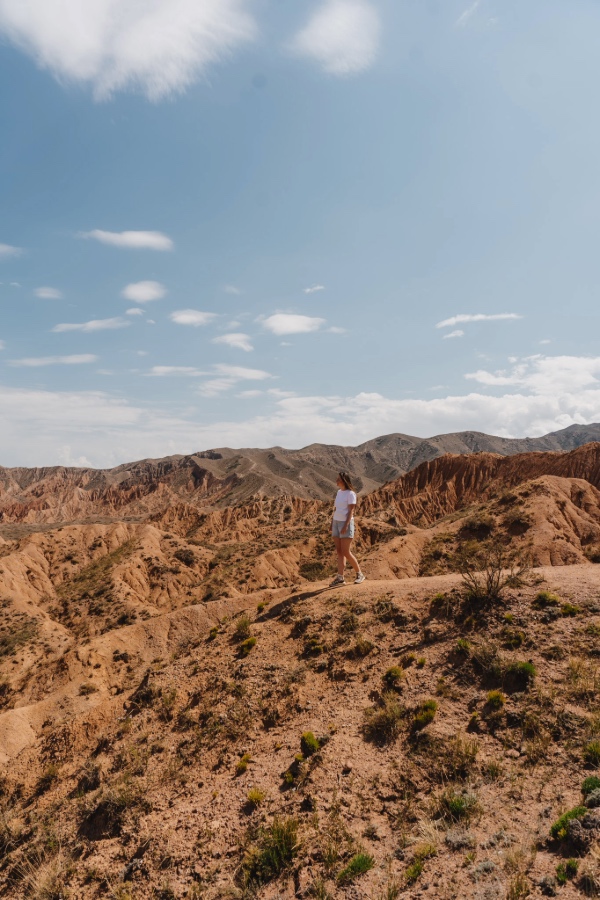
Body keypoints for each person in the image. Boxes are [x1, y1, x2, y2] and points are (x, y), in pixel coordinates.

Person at [330, 471, 365, 585]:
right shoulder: (339, 492)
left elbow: (351, 511)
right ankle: (340, 578)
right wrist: (332, 522)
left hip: (345, 523)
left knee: (346, 551)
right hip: (336, 522)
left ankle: (360, 574)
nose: (336, 480)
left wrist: (345, 525)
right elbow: (336, 509)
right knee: (339, 551)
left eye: (338, 479)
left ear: (344, 481)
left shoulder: (351, 494)